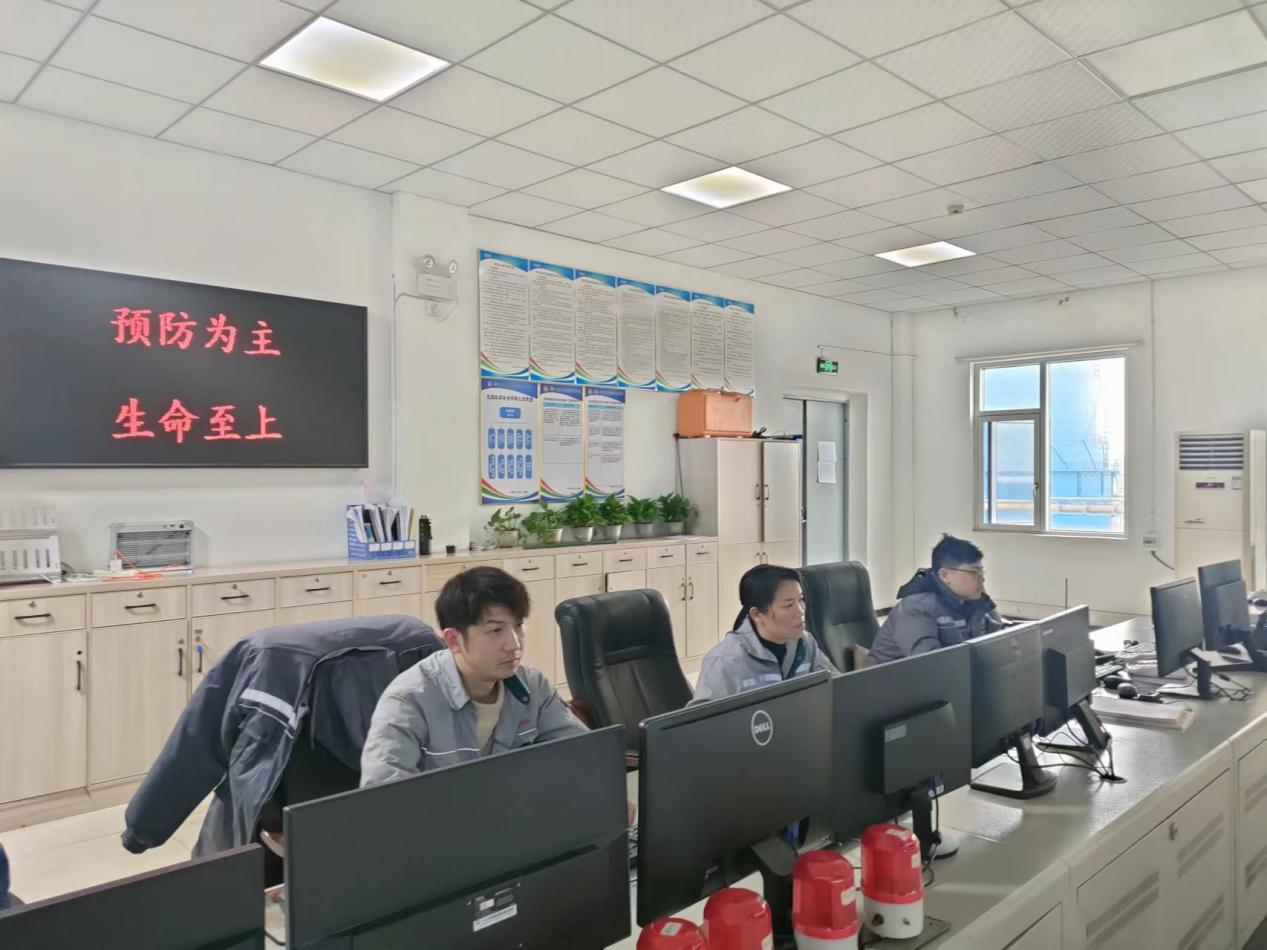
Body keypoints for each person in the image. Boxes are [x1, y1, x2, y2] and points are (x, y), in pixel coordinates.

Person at [361, 565, 587, 787]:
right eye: (495, 630)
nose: (514, 644)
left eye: (518, 625)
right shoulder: (409, 701)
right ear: (453, 640)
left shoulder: (532, 686)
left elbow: (583, 754)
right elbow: (382, 795)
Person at [692, 563, 836, 704]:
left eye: (801, 599)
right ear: (757, 614)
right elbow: (702, 718)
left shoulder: (805, 643)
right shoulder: (724, 662)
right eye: (788, 605)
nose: (800, 611)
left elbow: (837, 686)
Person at [865, 535, 1004, 666]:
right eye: (974, 572)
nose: (982, 578)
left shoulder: (971, 603)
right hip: (890, 681)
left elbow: (1001, 642)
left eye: (982, 571)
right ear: (944, 575)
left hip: (943, 679)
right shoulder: (916, 607)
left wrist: (986, 604)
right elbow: (931, 665)